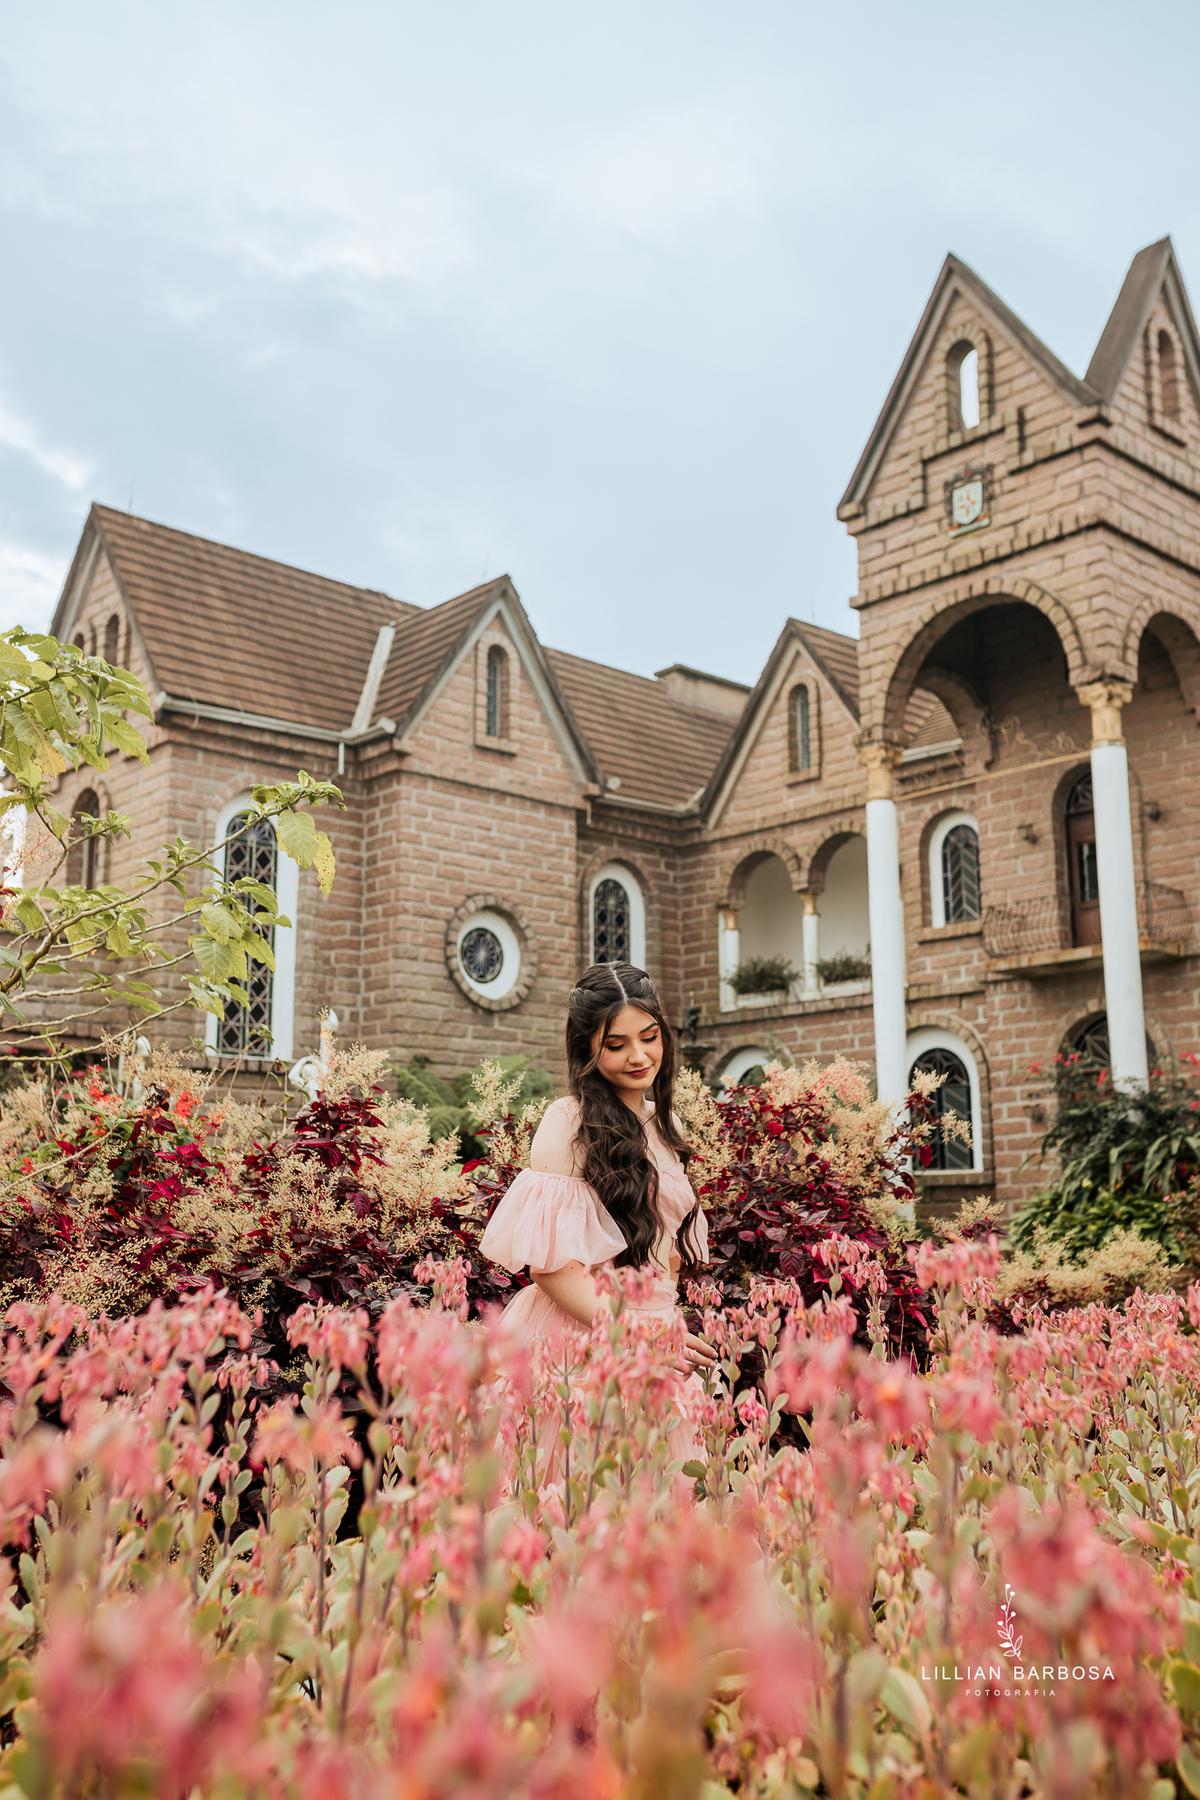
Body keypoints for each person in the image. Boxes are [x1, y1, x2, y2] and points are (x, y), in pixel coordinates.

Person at [480, 962, 716, 1463]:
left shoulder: (666, 1124)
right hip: (579, 1340)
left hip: (658, 1339)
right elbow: (551, 1270)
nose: (639, 1056)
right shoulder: (567, 1122)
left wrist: (667, 1327)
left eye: (650, 1037)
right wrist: (641, 1338)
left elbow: (664, 1253)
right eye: (616, 1045)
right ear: (586, 1046)